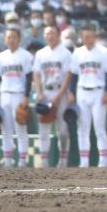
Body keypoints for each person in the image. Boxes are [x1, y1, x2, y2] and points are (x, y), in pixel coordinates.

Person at [70, 24, 107, 168]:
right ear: (82, 37)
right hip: (82, 91)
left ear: (95, 36)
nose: (89, 38)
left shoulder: (104, 52)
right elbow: (74, 75)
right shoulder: (77, 53)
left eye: (91, 36)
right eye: (86, 36)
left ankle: (103, 161)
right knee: (82, 128)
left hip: (99, 91)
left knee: (99, 127)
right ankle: (84, 161)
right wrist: (71, 92)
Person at [31, 26, 73, 168]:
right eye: (47, 33)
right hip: (45, 92)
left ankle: (63, 160)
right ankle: (44, 161)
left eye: (52, 33)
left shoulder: (66, 53)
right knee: (44, 128)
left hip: (60, 92)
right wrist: (40, 93)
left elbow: (68, 75)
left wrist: (60, 95)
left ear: (58, 35)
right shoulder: (40, 53)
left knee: (62, 129)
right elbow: (36, 74)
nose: (50, 36)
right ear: (44, 36)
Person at [0, 28, 33, 167]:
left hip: (19, 94)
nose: (11, 39)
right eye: (9, 37)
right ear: (5, 40)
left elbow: (29, 77)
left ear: (19, 39)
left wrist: (26, 96)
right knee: (6, 129)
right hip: (4, 94)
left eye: (14, 37)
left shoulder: (26, 56)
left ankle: (22, 161)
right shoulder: (0, 57)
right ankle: (7, 161)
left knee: (20, 128)